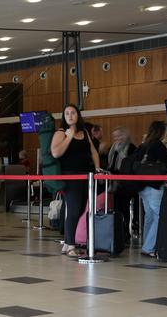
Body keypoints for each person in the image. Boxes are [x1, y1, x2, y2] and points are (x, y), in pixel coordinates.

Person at [51, 104, 101, 257]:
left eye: (73, 112)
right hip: (70, 177)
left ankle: (67, 243)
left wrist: (98, 167)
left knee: (79, 210)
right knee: (73, 210)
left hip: (85, 176)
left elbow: (92, 151)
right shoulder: (61, 133)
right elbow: (56, 153)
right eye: (67, 113)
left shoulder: (85, 132)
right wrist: (69, 136)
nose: (70, 115)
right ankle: (71, 244)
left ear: (78, 115)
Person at [136, 121, 167, 257]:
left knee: (149, 216)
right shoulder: (158, 145)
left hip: (141, 185)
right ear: (161, 132)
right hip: (154, 185)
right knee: (159, 215)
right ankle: (149, 247)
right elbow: (165, 164)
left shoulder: (144, 145)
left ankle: (146, 245)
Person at [107, 126, 137, 239]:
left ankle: (125, 231)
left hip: (125, 183)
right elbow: (111, 164)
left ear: (125, 136)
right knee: (115, 207)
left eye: (119, 135)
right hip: (114, 182)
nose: (117, 138)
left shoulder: (132, 148)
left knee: (124, 207)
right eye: (115, 136)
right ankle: (117, 230)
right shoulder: (113, 148)